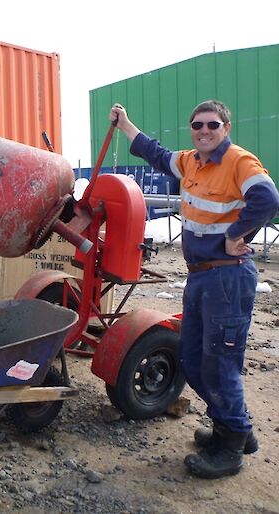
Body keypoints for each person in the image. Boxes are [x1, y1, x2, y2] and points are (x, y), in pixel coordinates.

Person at [110, 100, 279, 479]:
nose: (204, 131)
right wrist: (125, 125)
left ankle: (231, 446)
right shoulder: (190, 161)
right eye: (197, 125)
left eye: (212, 125)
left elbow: (268, 198)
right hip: (200, 275)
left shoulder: (239, 161)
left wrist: (237, 234)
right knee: (191, 356)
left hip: (227, 277)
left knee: (220, 363)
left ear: (226, 126)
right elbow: (156, 154)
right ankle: (232, 427)